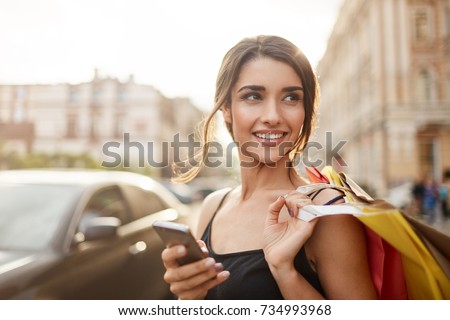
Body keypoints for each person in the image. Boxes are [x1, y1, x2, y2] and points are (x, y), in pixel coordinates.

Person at [161, 35, 377, 300]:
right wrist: (188, 295)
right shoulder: (213, 206)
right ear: (227, 108)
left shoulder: (327, 212)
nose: (273, 116)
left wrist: (285, 272)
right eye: (253, 96)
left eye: (291, 98)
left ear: (305, 110)